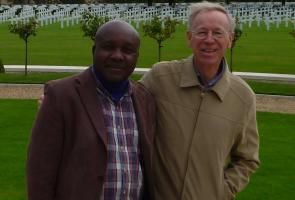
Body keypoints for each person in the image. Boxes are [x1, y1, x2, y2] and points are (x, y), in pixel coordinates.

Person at [140, 2, 260, 200]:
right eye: (202, 32)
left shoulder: (243, 97)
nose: (209, 40)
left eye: (218, 33)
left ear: (230, 39)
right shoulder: (160, 78)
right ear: (189, 38)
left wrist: (222, 191)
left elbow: (248, 159)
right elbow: (125, 115)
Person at [27, 20, 156, 200]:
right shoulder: (62, 95)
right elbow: (40, 171)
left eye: (127, 50)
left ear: (136, 56)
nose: (117, 56)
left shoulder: (144, 99)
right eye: (109, 47)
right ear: (94, 51)